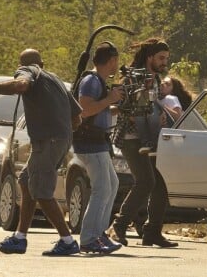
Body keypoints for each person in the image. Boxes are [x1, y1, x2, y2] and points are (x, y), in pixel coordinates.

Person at [0, 49, 82, 256]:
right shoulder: (56, 80)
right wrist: (60, 131)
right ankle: (20, 238)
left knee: (41, 192)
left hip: (48, 140)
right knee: (25, 182)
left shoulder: (28, 70)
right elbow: (77, 118)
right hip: (60, 140)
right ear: (43, 63)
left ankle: (67, 241)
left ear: (21, 65)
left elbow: (21, 85)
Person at [109, 38, 178, 248]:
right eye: (160, 58)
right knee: (146, 182)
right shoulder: (131, 78)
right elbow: (118, 108)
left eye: (166, 58)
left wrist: (160, 117)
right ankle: (118, 227)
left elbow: (153, 108)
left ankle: (152, 233)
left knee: (160, 186)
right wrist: (138, 115)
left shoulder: (155, 80)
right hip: (132, 139)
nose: (164, 62)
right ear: (149, 57)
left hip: (150, 139)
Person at [72, 42, 124, 254]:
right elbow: (85, 110)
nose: (117, 66)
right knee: (102, 188)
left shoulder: (98, 82)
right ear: (111, 61)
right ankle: (89, 238)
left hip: (98, 142)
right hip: (90, 143)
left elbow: (98, 110)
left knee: (112, 184)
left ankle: (99, 234)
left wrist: (117, 107)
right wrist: (110, 99)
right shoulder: (91, 81)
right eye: (116, 61)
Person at [138, 76, 193, 155]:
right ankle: (149, 143)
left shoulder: (170, 98)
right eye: (163, 82)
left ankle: (150, 144)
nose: (163, 84)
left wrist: (162, 106)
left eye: (167, 84)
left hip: (169, 132)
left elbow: (178, 117)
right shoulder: (161, 99)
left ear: (173, 90)